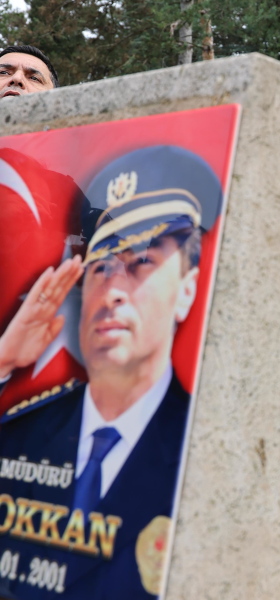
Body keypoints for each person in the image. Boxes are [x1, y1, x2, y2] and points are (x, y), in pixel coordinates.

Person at [0, 145, 222, 600]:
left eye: (142, 263)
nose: (113, 291)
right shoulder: (24, 428)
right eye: (101, 267)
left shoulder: (207, 443)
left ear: (186, 290)